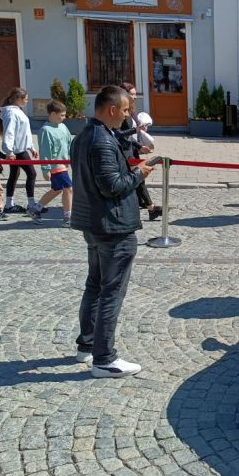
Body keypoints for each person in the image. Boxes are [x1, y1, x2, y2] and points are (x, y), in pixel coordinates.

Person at [70, 85, 154, 378]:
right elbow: (112, 186)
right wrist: (138, 174)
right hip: (112, 226)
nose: (129, 114)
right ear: (112, 109)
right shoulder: (100, 141)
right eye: (127, 109)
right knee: (111, 292)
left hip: (94, 224)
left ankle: (87, 345)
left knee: (95, 285)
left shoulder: (86, 136)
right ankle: (104, 358)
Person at [117, 83, 161, 222]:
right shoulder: (120, 110)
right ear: (123, 94)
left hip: (131, 147)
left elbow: (130, 134)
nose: (135, 97)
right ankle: (150, 207)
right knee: (137, 177)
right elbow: (118, 134)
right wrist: (135, 131)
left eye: (135, 94)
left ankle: (146, 205)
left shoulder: (130, 109)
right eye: (132, 94)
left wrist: (139, 146)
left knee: (138, 178)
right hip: (123, 150)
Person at [30, 100, 74, 226]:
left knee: (56, 189)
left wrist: (71, 158)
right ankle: (67, 217)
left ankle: (36, 209)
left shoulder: (63, 127)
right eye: (62, 115)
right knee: (68, 188)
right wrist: (46, 169)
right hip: (55, 165)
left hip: (63, 163)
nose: (64, 118)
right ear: (53, 114)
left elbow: (69, 143)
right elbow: (44, 151)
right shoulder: (46, 130)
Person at [0, 88, 39, 214]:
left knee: (14, 175)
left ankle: (9, 204)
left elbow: (24, 132)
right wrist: (9, 151)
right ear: (17, 99)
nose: (27, 101)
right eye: (25, 99)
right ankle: (31, 204)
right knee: (32, 174)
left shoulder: (17, 111)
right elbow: (9, 132)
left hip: (20, 149)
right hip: (17, 151)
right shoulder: (11, 113)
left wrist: (31, 146)